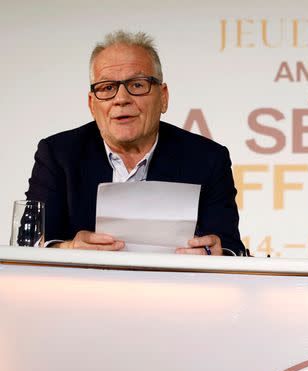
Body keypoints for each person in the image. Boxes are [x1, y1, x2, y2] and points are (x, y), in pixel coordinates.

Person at [25, 30, 245, 255]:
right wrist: (68, 248)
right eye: (107, 88)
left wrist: (214, 253)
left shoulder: (207, 159)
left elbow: (231, 249)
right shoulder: (57, 154)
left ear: (164, 97)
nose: (121, 99)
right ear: (92, 105)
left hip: (174, 288)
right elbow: (29, 245)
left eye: (138, 85)